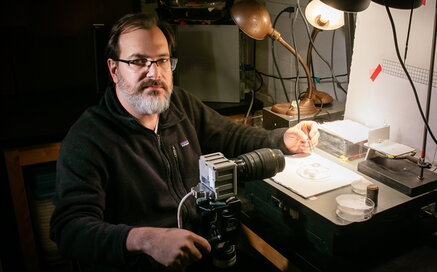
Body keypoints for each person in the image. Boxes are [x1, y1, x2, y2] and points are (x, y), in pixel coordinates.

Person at [49, 12, 319, 272]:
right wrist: (146, 240)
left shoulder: (178, 104)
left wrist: (282, 139)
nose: (154, 73)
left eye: (162, 60)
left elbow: (231, 136)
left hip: (202, 253)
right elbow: (70, 230)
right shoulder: (88, 138)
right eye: (139, 62)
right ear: (114, 69)